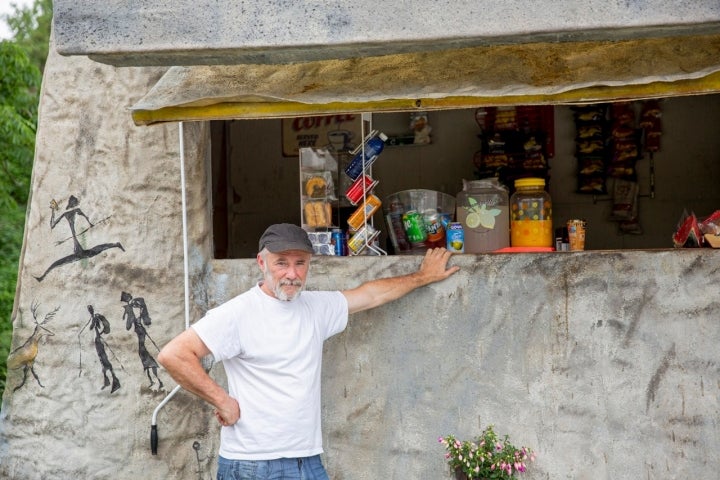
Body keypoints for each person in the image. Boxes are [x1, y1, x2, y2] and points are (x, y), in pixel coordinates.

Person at [158, 223, 459, 480]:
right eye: (281, 263)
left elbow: (371, 294)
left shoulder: (316, 307)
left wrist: (424, 277)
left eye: (300, 263)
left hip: (306, 460)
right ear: (261, 263)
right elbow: (174, 354)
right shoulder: (239, 313)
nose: (291, 273)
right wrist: (222, 400)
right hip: (251, 464)